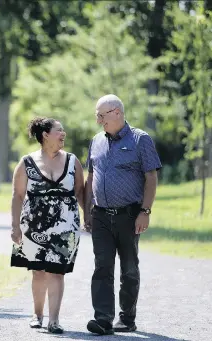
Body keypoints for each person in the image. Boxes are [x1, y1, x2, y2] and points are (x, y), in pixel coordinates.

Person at [84, 94, 162, 335]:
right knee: (102, 267)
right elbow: (91, 178)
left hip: (129, 215)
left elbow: (151, 177)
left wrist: (145, 212)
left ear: (117, 112)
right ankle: (103, 319)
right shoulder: (96, 141)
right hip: (100, 215)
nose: (98, 121)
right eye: (97, 116)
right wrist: (86, 211)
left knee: (129, 268)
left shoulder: (141, 140)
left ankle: (127, 318)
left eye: (101, 115)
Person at [10, 117, 85, 334]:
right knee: (38, 272)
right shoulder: (26, 163)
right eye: (59, 130)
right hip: (33, 226)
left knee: (57, 272)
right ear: (45, 135)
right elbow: (17, 195)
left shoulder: (73, 161)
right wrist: (15, 226)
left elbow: (80, 192)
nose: (64, 134)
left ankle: (54, 320)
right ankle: (37, 314)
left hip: (65, 226)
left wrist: (88, 217)